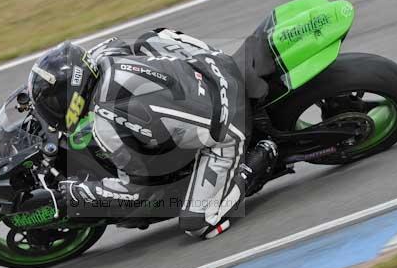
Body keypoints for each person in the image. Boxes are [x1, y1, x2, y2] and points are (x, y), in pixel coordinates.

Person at [27, 28, 278, 239]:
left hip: (227, 123)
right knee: (150, 38)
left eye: (54, 106)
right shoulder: (100, 55)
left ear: (71, 101)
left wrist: (83, 191)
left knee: (198, 223)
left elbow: (138, 190)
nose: (52, 111)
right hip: (209, 62)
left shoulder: (106, 125)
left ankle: (261, 158)